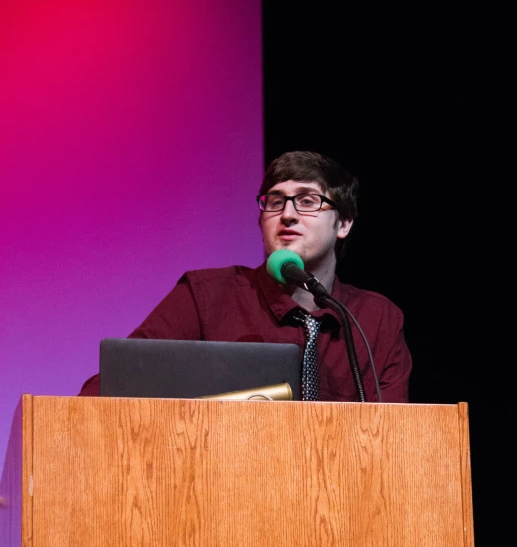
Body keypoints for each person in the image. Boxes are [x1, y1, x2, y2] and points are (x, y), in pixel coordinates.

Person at [79, 151, 412, 401]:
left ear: (344, 223)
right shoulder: (205, 297)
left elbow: (395, 439)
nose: (288, 214)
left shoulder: (377, 319)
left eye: (308, 201)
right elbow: (111, 389)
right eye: (276, 201)